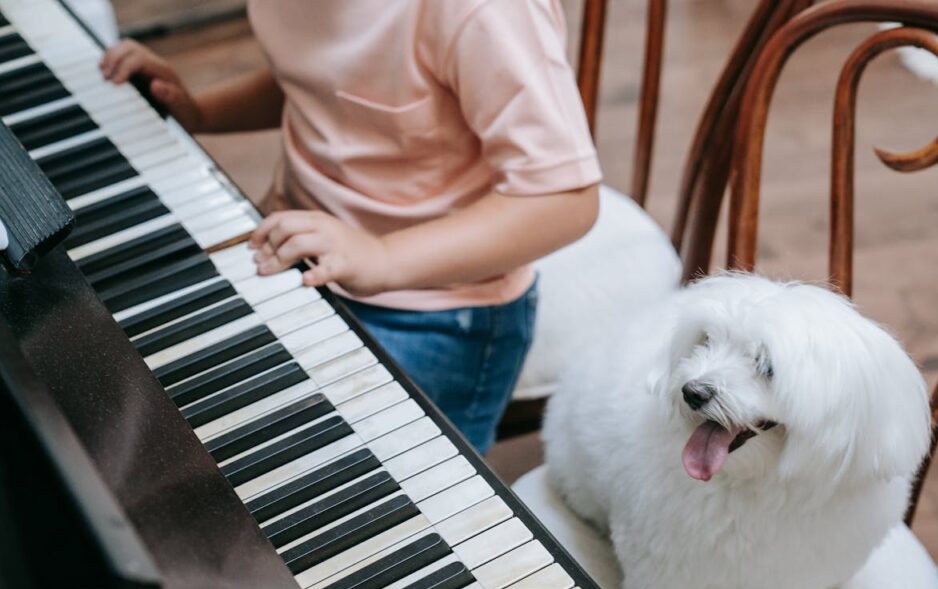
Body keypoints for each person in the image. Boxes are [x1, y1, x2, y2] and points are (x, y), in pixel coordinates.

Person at [100, 0, 601, 454]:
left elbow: (565, 199)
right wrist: (200, 111)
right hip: (298, 250)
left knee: (358, 489)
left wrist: (382, 256)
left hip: (436, 311)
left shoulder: (483, 13)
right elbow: (323, 79)